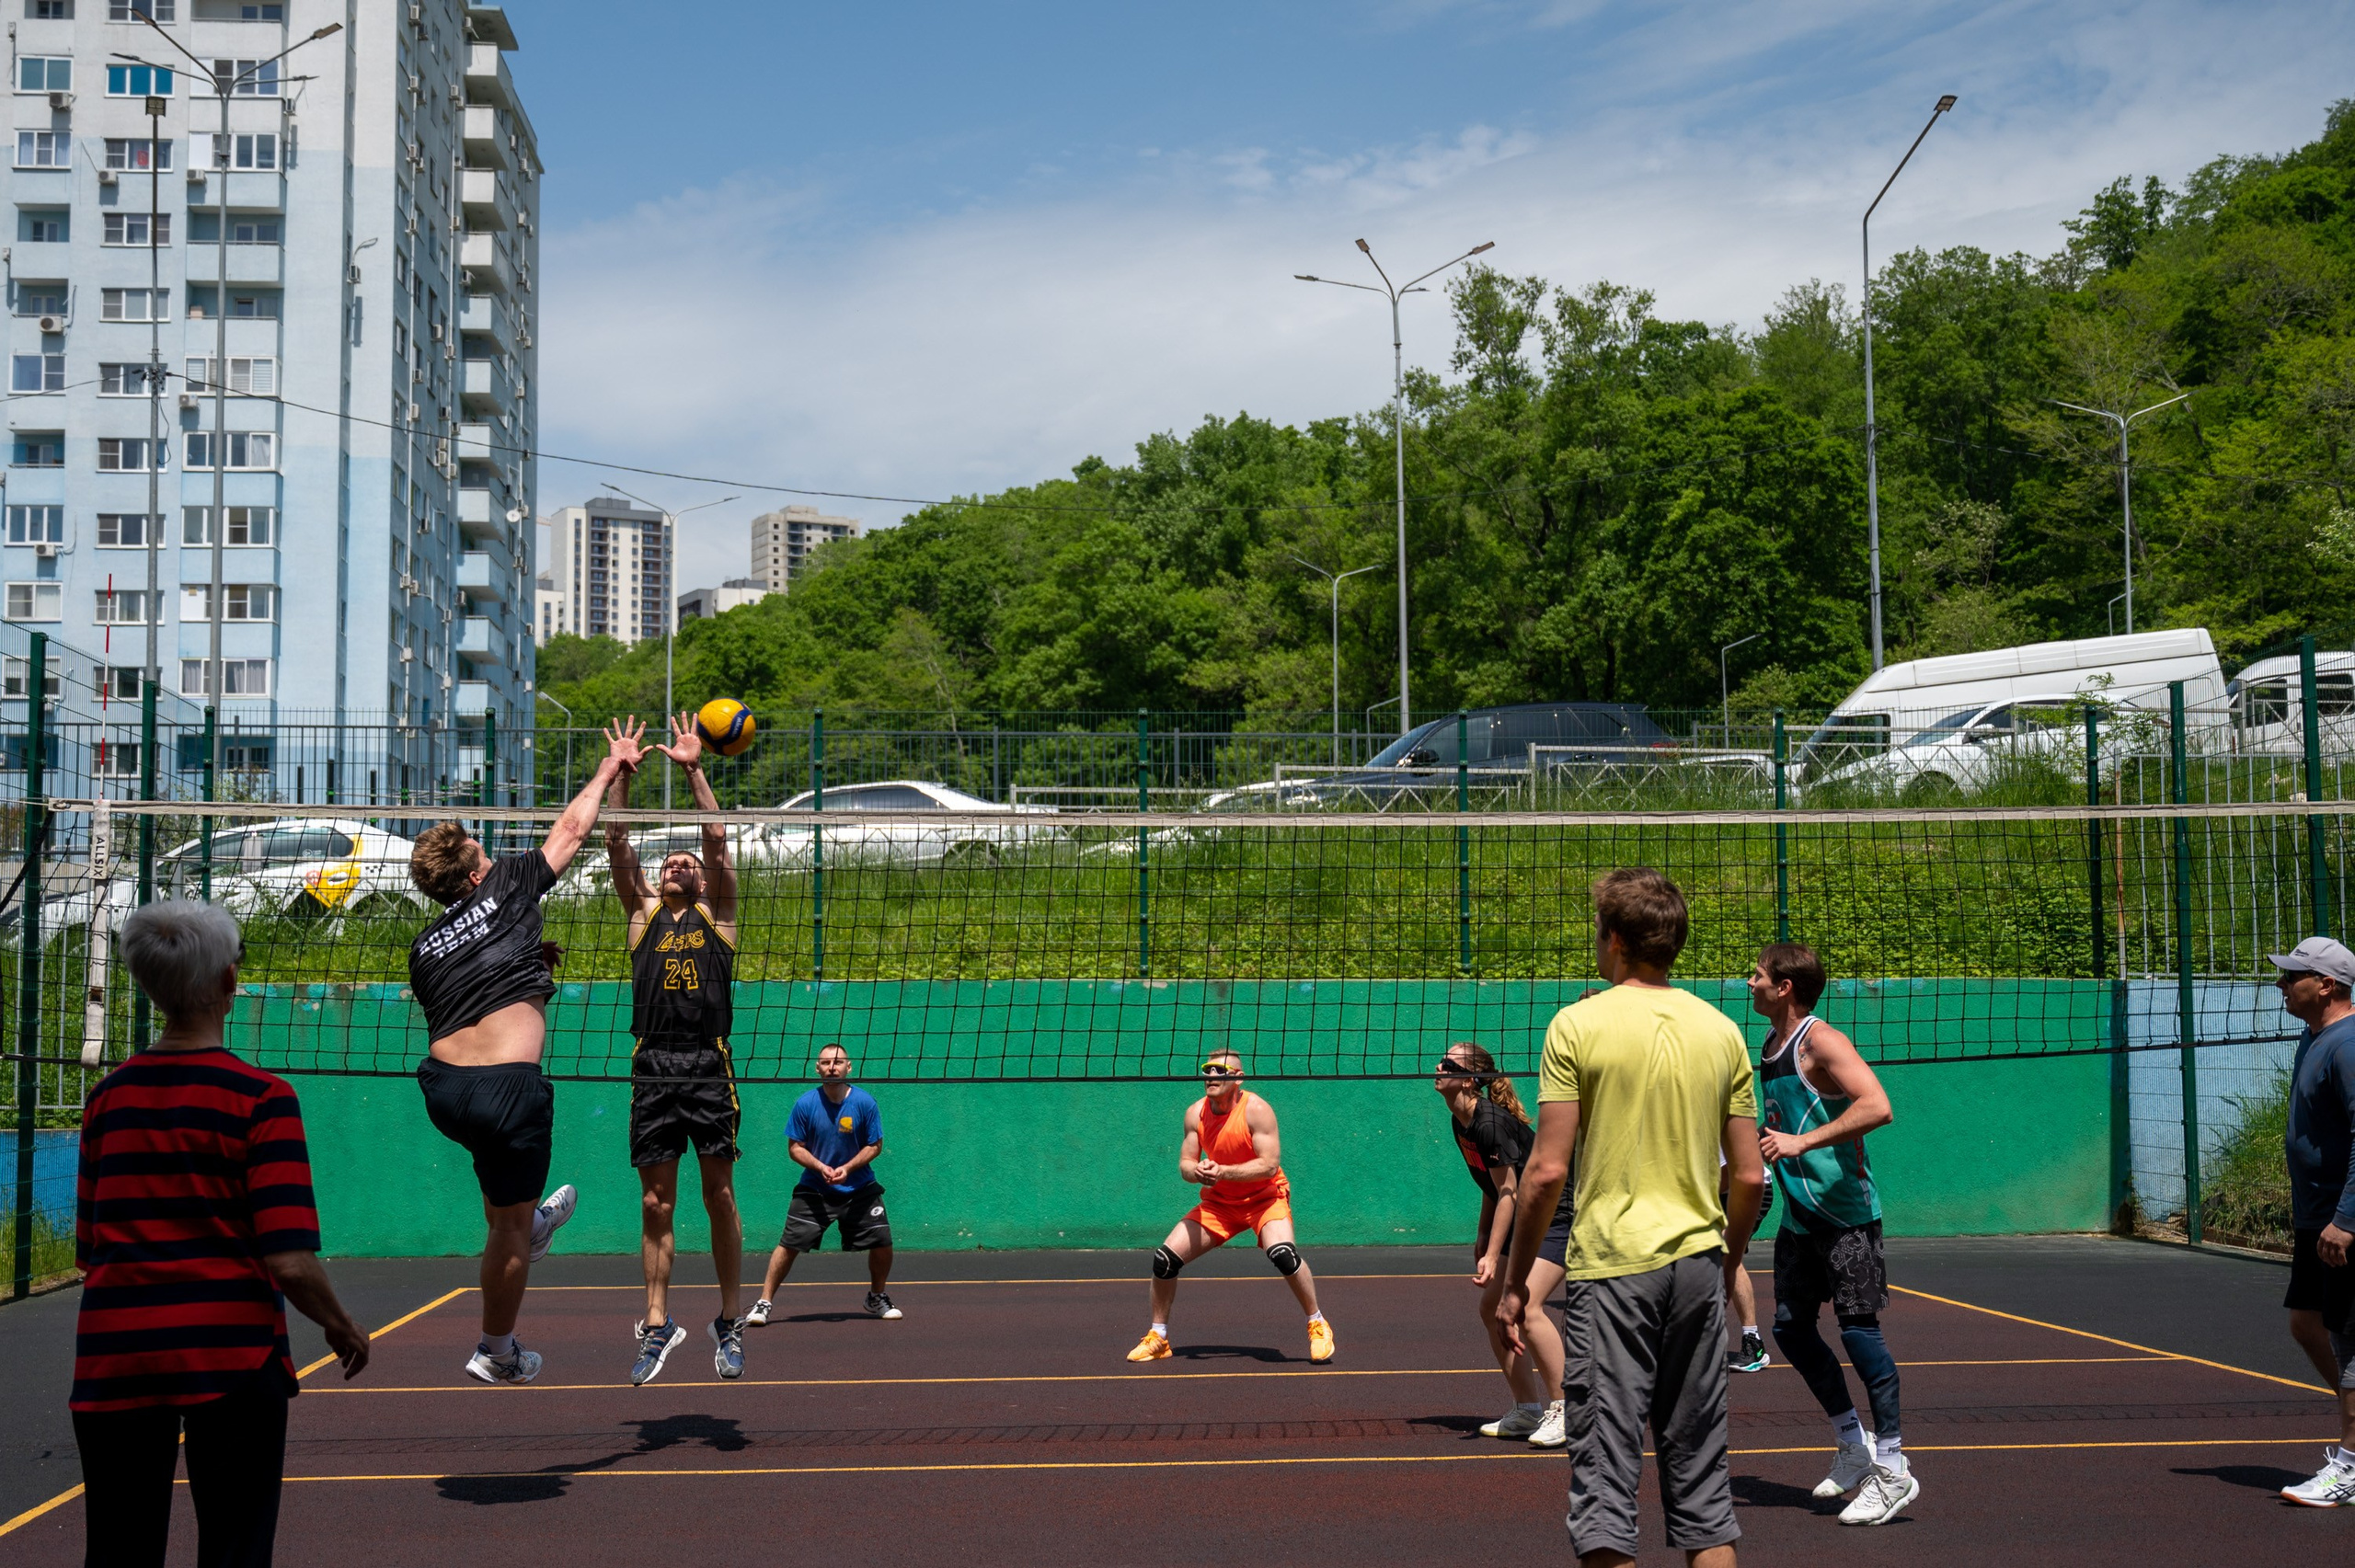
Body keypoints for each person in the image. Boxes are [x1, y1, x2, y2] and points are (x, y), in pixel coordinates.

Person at [73, 900, 372, 1567]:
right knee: (237, 1546)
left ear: (148, 986)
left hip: (115, 1356)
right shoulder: (261, 1098)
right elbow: (289, 1259)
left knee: (119, 1548)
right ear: (229, 984)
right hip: (230, 1357)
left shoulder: (107, 1099)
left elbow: (90, 1246)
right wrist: (340, 1322)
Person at [1499, 867, 1763, 1568]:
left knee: (1607, 1493)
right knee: (1705, 1494)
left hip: (1614, 1271)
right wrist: (1726, 1259)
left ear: (1613, 939)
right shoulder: (1723, 1030)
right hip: (1697, 1269)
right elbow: (1748, 1174)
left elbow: (1546, 1172)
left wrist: (1517, 1281)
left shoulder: (1578, 1023)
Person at [409, 718, 642, 1384]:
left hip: (445, 1090)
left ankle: (533, 1224)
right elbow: (570, 832)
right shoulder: (507, 884)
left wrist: (525, 962)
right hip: (507, 1090)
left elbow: (469, 986)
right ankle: (496, 1349)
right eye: (483, 849)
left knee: (506, 1198)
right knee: (505, 1227)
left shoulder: (422, 948)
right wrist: (608, 768)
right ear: (477, 867)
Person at [1747, 943, 1910, 1525]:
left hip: (1847, 1217)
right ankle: (1853, 1445)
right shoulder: (1769, 1045)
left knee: (1860, 1334)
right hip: (1800, 1218)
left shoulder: (1822, 1041)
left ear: (1786, 987)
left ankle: (1893, 1468)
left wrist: (1802, 1142)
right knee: (1790, 1330)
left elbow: (1879, 1106)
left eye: (1759, 975)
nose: (1750, 982)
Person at [607, 713, 747, 1385]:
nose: (680, 864)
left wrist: (694, 767)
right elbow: (616, 841)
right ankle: (657, 1324)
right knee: (655, 1204)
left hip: (707, 1061)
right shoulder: (642, 916)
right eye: (672, 861)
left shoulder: (719, 917)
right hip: (652, 1064)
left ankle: (729, 1318)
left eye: (686, 862)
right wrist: (623, 776)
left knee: (718, 1195)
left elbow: (717, 837)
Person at [1129, 1049, 1335, 1365]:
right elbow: (1185, 1163)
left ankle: (1317, 1322)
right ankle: (1159, 1337)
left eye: (1219, 1071)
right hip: (1220, 1205)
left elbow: (1269, 1165)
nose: (1211, 1076)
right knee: (1164, 1260)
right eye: (1207, 1070)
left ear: (1238, 1078)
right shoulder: (1195, 1113)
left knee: (1284, 1255)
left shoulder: (1257, 1110)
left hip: (1264, 1199)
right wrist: (1195, 1172)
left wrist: (1223, 1172)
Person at [1436, 1042, 1570, 1448]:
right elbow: (1492, 1188)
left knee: (1526, 1308)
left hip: (1558, 1215)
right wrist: (1483, 1235)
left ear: (1471, 1079)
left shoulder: (1489, 1122)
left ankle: (1566, 1409)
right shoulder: (1461, 1120)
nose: (1437, 1067)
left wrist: (1494, 1254)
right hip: (1524, 1215)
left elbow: (1509, 1191)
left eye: (1448, 1064)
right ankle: (1527, 1410)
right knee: (1492, 1308)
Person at [2270, 935, 2355, 1506]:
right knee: (2307, 1323)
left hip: (2342, 1221)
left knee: (2350, 1339)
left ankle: (2349, 1466)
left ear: (2326, 984)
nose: (2280, 984)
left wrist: (2347, 1218)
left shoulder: (2349, 1045)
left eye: (2292, 975)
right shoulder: (2315, 1037)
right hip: (2315, 1218)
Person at [747, 1043, 901, 1323]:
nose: (832, 1067)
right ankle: (764, 1302)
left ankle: (876, 1296)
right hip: (815, 1187)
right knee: (789, 1244)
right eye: (826, 1063)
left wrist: (847, 1167)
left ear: (848, 1067)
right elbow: (795, 1147)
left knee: (883, 1242)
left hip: (860, 1187)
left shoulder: (865, 1103)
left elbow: (875, 1145)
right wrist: (820, 1167)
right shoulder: (805, 1104)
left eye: (838, 1062)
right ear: (817, 1068)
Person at [1722, 1146, 1775, 1373]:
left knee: (1725, 1253)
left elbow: (1726, 1175)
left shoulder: (1707, 1116)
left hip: (1747, 1189)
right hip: (1718, 1192)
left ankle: (1753, 1344)